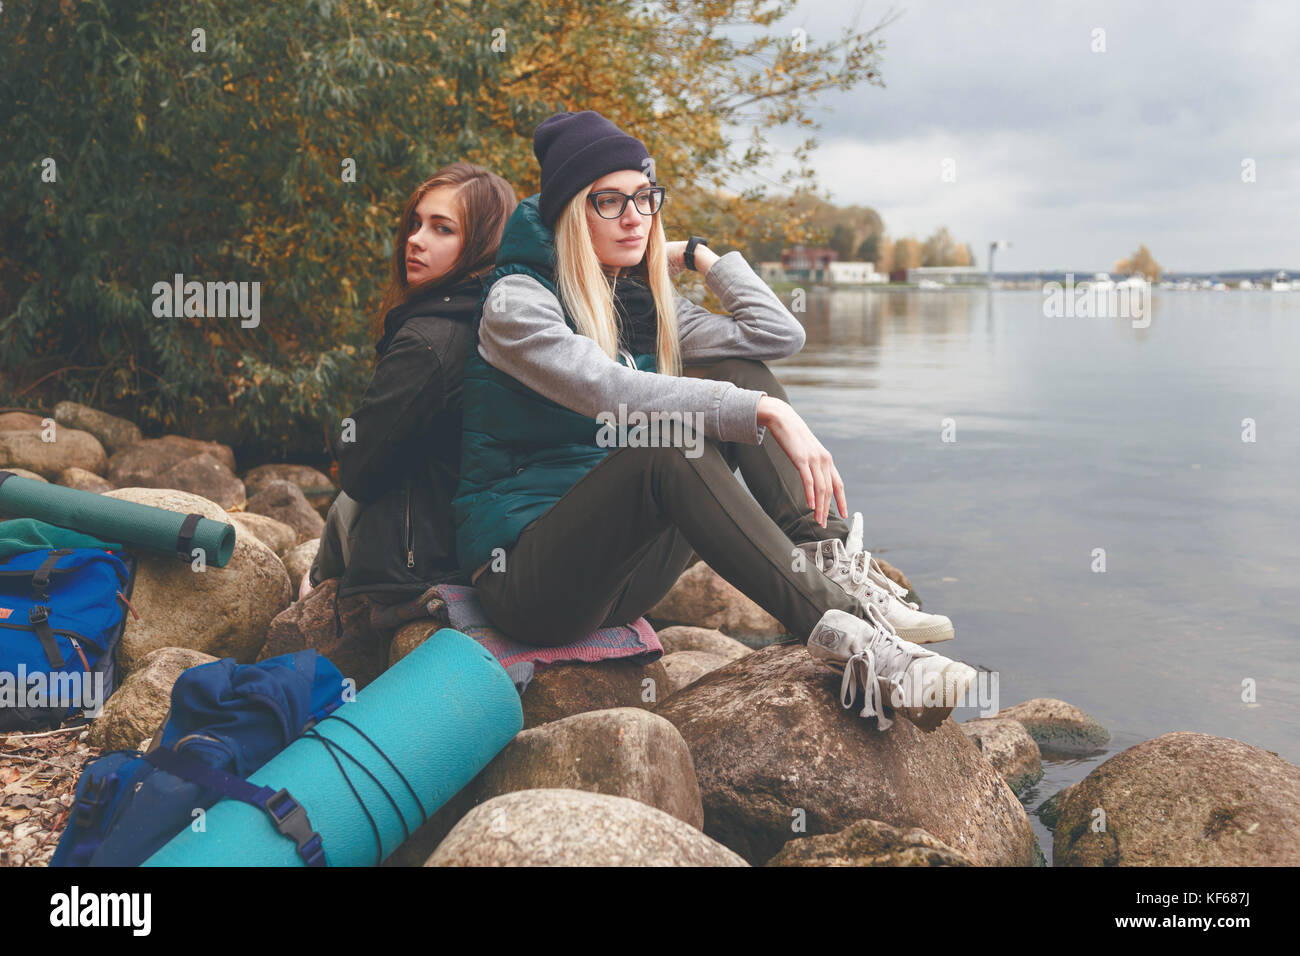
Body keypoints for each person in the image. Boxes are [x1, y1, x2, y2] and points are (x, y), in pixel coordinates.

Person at [450, 111, 977, 732]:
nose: (633, 218)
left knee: (736, 368)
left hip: (617, 580)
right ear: (571, 213)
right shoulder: (518, 302)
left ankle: (825, 558)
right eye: (609, 201)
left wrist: (702, 256)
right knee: (674, 445)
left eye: (645, 198)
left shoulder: (641, 298)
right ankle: (854, 637)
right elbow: (607, 388)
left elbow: (775, 335)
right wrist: (765, 411)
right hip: (531, 582)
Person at [308, 163, 518, 603]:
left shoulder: (430, 341)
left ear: (483, 244)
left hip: (416, 565)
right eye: (416, 224)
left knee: (345, 505)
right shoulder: (504, 320)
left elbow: (359, 471)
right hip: (486, 548)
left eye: (442, 229)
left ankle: (312, 597)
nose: (414, 240)